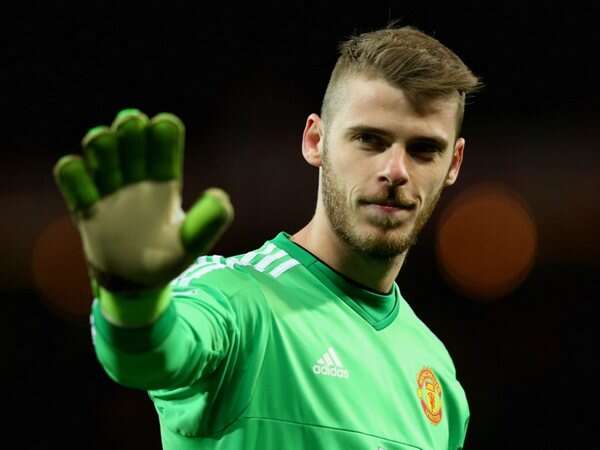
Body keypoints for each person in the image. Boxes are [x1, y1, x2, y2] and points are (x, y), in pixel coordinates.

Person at [53, 24, 482, 450]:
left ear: (454, 163)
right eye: (369, 139)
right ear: (315, 141)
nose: (396, 171)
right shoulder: (237, 299)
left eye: (424, 149)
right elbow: (150, 356)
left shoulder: (438, 376)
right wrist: (133, 302)